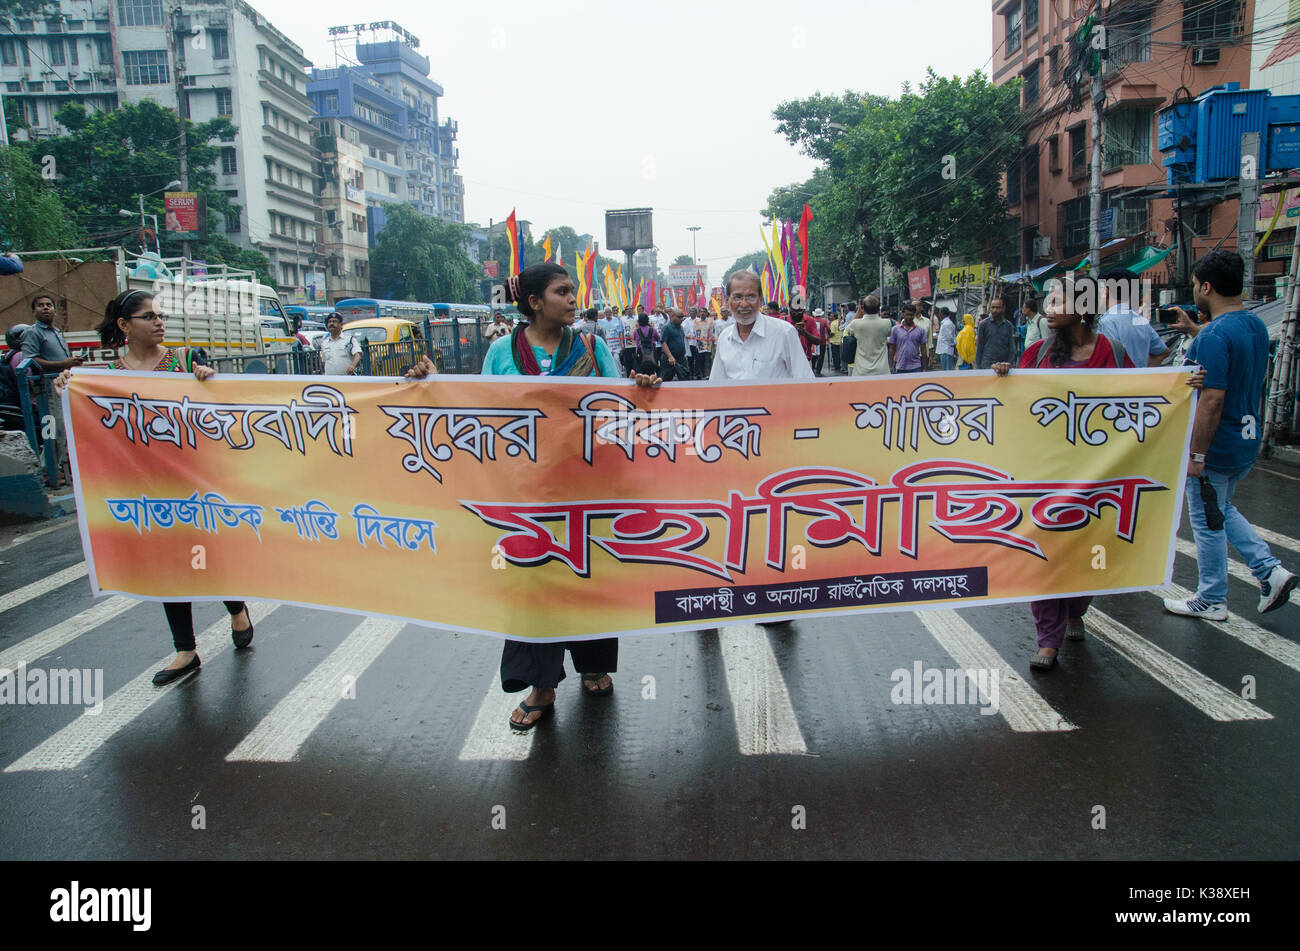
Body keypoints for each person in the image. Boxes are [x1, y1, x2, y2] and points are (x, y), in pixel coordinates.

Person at [406, 263, 659, 731]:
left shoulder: (592, 347)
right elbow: (479, 410)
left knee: (586, 576)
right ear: (535, 303)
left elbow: (619, 406)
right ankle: (541, 685)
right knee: (533, 588)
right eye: (562, 291)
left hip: (586, 492)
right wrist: (431, 383)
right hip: (526, 496)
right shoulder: (502, 352)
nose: (572, 299)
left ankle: (592, 663)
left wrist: (642, 388)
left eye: (573, 290)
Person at [54, 290, 254, 685]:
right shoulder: (108, 377)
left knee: (205, 555)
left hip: (195, 481)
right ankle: (185, 649)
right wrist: (67, 385)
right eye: (148, 316)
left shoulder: (186, 360)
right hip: (147, 489)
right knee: (168, 564)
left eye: (161, 315)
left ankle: (237, 607)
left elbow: (217, 407)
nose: (159, 322)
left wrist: (208, 381)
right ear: (125, 326)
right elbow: (90, 416)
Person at [991, 277, 1138, 671]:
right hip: (1045, 475)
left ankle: (1076, 608)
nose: (1049, 307)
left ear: (1084, 307)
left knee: (1086, 552)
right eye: (1048, 300)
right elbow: (1015, 408)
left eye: (1058, 300)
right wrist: (1002, 378)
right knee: (1043, 552)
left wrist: (1183, 386)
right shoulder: (1036, 355)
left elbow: (1143, 398)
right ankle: (1048, 638)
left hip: (1098, 475)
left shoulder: (1114, 352)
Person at [1161, 250, 1297, 619]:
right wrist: (1194, 330)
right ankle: (1270, 571)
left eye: (1195, 286)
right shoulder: (1252, 325)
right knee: (1221, 509)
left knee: (1206, 522)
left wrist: (1197, 455)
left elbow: (1212, 400)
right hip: (1246, 440)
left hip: (1217, 445)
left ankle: (1212, 598)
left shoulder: (1216, 336)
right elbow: (1225, 341)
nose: (1194, 292)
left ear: (1206, 286)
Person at [21, 294, 83, 487]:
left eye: (49, 305)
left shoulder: (55, 332)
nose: (46, 308)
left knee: (64, 431)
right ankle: (48, 472)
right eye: (41, 305)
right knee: (53, 431)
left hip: (62, 386)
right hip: (47, 390)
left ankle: (61, 470)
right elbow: (31, 359)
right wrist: (64, 363)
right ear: (34, 311)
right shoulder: (33, 332)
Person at [710, 271, 814, 382]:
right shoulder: (725, 338)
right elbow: (717, 385)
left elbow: (806, 381)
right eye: (738, 297)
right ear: (727, 301)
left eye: (751, 297)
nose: (744, 304)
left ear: (760, 300)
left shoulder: (784, 332)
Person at [1097, 268, 1169, 367]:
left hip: (1117, 381)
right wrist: (1140, 371)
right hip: (1139, 381)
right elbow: (1163, 352)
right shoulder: (1141, 321)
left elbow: (1108, 360)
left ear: (1106, 291)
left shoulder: (1107, 322)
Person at [844, 295, 893, 376]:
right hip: (881, 371)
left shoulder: (856, 324)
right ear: (878, 309)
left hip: (861, 371)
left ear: (863, 308)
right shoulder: (887, 323)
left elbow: (847, 330)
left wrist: (859, 311)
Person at [888, 302, 929, 374]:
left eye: (911, 315)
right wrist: (890, 366)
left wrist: (925, 368)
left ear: (914, 315)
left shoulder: (920, 330)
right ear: (903, 315)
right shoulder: (895, 330)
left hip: (916, 367)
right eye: (907, 315)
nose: (909, 317)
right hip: (900, 367)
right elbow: (892, 349)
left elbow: (923, 350)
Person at [975, 297, 1015, 370]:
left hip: (1004, 366)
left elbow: (1012, 348)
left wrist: (1010, 364)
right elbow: (979, 348)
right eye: (993, 307)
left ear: (1003, 308)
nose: (995, 310)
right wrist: (978, 368)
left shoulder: (1008, 326)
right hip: (987, 366)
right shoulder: (983, 325)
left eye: (998, 307)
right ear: (990, 308)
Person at [660, 308, 687, 381]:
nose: (681, 319)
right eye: (679, 317)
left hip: (681, 358)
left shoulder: (680, 327)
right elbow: (663, 342)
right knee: (666, 379)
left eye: (682, 317)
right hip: (669, 359)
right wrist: (670, 356)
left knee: (685, 377)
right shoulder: (667, 327)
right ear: (672, 316)